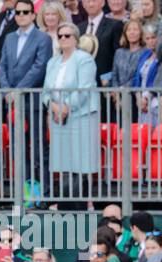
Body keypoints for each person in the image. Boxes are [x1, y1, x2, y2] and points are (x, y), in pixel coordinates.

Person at [43, 23, 101, 206]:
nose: (63, 39)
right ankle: (65, 202)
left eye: (67, 35)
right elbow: (45, 91)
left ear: (76, 39)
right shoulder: (52, 62)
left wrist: (66, 107)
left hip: (81, 115)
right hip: (58, 117)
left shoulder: (84, 59)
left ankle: (81, 204)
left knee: (80, 160)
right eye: (60, 36)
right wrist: (52, 106)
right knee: (63, 160)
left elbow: (84, 88)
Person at [0, 0, 52, 183]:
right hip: (13, 103)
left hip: (33, 101)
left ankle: (43, 194)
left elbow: (39, 67)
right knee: (17, 149)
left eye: (25, 12)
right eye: (18, 12)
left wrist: (17, 91)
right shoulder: (9, 38)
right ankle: (26, 193)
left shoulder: (43, 38)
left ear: (33, 15)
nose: (21, 15)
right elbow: (2, 65)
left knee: (38, 148)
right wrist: (7, 91)